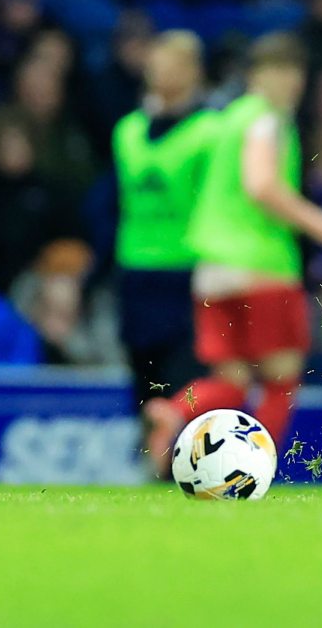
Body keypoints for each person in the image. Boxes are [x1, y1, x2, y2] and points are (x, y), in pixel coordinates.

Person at [141, 33, 322, 474]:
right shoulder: (265, 120)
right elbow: (260, 185)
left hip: (212, 267)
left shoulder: (226, 120)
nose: (291, 83)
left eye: (296, 74)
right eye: (282, 73)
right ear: (259, 77)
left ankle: (176, 410)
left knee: (230, 385)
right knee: (282, 380)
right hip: (260, 264)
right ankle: (253, 468)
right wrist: (320, 223)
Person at [111, 31, 216, 407]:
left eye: (172, 64)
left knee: (184, 382)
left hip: (187, 270)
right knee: (142, 381)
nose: (161, 72)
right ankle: (148, 459)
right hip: (136, 269)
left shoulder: (210, 133)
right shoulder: (127, 131)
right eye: (156, 63)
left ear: (194, 71)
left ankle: (181, 460)